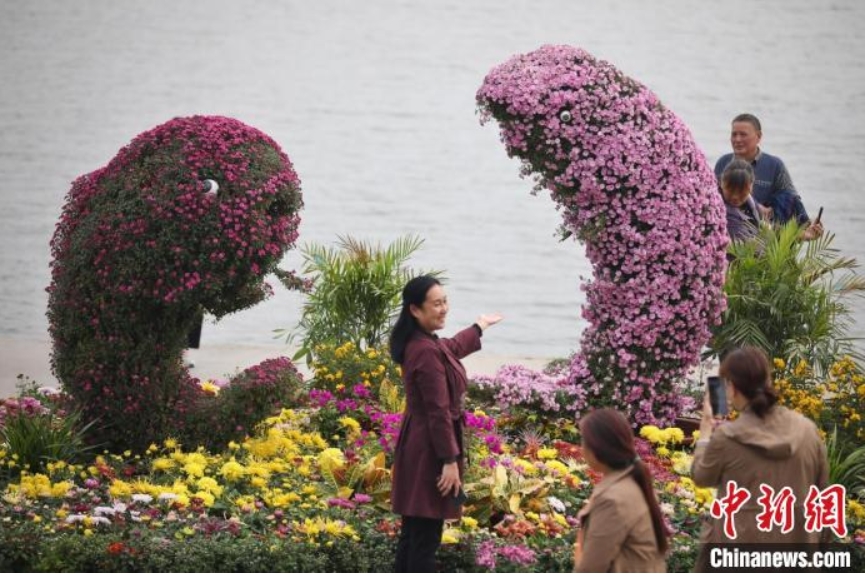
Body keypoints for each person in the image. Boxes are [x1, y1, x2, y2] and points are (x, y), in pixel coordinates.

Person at [389, 275, 502, 572]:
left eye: (445, 302)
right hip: (430, 450)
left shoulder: (424, 343)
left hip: (420, 444)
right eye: (436, 304)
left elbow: (451, 347)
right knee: (425, 539)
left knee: (413, 533)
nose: (444, 309)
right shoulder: (424, 350)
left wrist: (479, 327)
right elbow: (438, 412)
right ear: (415, 309)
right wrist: (449, 461)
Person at [691, 346, 829, 572]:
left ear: (732, 388)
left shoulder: (728, 438)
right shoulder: (807, 431)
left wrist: (706, 429)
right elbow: (823, 497)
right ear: (768, 381)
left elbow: (701, 477)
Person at [573, 408, 668, 572]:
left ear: (597, 447)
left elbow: (591, 568)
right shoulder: (631, 481)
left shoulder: (613, 499)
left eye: (583, 441)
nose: (581, 448)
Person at [714, 113, 813, 226]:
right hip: (729, 228)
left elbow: (792, 200)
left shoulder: (775, 165)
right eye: (734, 134)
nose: (737, 139)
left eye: (743, 135)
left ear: (759, 136)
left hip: (764, 232)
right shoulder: (723, 162)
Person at [721, 158, 823, 245]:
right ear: (722, 183)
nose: (735, 197)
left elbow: (770, 229)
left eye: (741, 193)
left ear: (751, 186)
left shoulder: (751, 204)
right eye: (730, 191)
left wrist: (805, 235)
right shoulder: (715, 208)